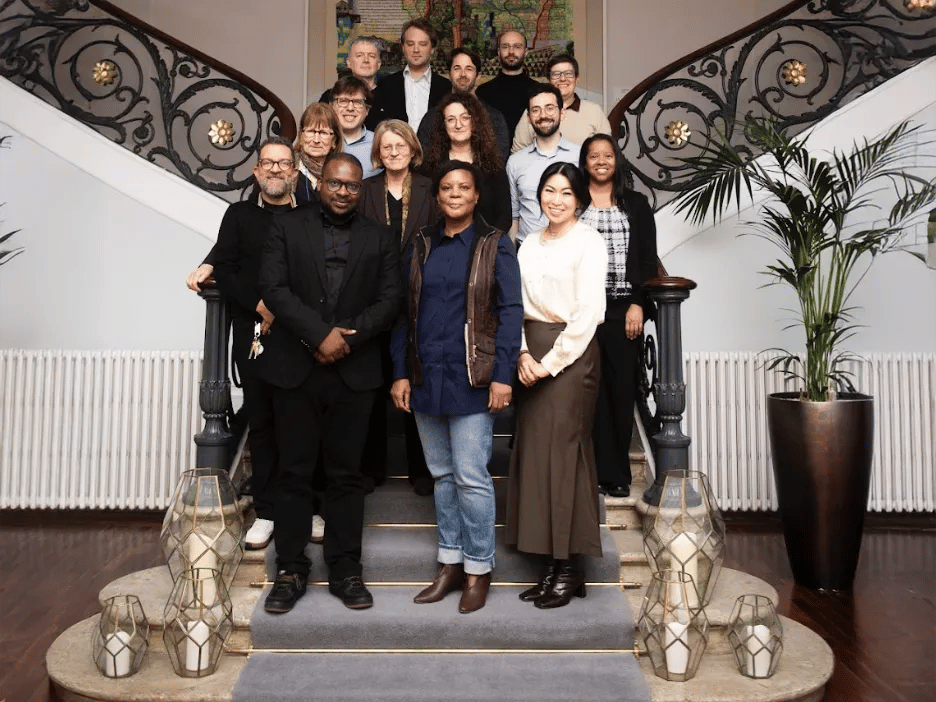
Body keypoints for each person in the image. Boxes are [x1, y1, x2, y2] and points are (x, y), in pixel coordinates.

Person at [258, 153, 402, 613]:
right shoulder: (286, 226)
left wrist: (345, 339)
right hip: (295, 369)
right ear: (319, 182)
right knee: (294, 472)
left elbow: (390, 300)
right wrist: (319, 335)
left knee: (346, 478)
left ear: (363, 190)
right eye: (337, 183)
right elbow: (274, 288)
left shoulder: (380, 237)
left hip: (354, 372)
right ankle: (291, 569)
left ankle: (345, 569)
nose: (344, 192)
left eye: (353, 186)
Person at [390, 160, 523, 614]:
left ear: (476, 195)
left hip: (473, 378)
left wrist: (504, 374)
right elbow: (403, 312)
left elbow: (510, 313)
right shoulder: (421, 244)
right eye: (446, 187)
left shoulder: (493, 245)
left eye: (463, 187)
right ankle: (449, 562)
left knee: (470, 476)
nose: (454, 194)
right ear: (437, 195)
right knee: (443, 475)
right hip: (427, 375)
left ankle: (479, 568)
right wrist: (400, 371)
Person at [506, 162, 608, 610]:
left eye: (566, 192)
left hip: (570, 356)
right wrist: (522, 354)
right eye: (549, 190)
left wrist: (549, 363)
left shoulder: (590, 242)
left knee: (565, 457)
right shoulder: (527, 242)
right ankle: (552, 565)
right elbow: (514, 303)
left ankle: (570, 567)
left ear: (580, 199)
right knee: (536, 456)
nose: (556, 199)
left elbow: (587, 313)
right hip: (530, 350)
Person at [207, 136, 298, 551]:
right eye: (268, 163)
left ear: (295, 173)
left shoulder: (310, 216)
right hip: (255, 335)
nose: (276, 169)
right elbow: (225, 267)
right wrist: (260, 304)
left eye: (283, 163)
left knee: (303, 424)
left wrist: (286, 307)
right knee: (261, 423)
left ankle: (306, 506)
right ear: (256, 172)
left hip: (300, 334)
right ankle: (268, 511)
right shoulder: (238, 215)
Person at [358, 120, 438, 496]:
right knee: (373, 385)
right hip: (373, 299)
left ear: (412, 148)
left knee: (416, 384)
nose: (393, 152)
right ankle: (371, 468)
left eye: (400, 145)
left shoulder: (430, 187)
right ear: (378, 151)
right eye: (386, 146)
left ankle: (421, 469)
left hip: (421, 300)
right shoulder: (365, 189)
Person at [579, 134, 658, 498]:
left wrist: (639, 303)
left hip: (622, 309)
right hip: (581, 310)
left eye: (607, 155)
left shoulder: (637, 205)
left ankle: (618, 475)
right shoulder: (574, 203)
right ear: (584, 163)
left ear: (616, 161)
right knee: (588, 392)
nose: (600, 161)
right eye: (593, 156)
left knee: (621, 390)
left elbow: (646, 259)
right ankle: (592, 470)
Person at [423, 92, 511, 232]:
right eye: (451, 119)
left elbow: (504, 217)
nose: (458, 125)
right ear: (443, 125)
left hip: (484, 247)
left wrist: (486, 246)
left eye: (465, 118)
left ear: (475, 121)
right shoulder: (430, 165)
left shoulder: (493, 165)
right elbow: (425, 214)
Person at [506, 84, 581, 244]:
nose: (543, 115)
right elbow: (514, 218)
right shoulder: (515, 162)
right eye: (536, 110)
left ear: (562, 113)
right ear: (528, 117)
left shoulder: (581, 156)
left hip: (571, 251)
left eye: (549, 108)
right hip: (527, 254)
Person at [416, 48, 510, 161]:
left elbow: (499, 160)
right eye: (457, 68)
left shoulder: (494, 118)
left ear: (478, 75)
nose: (463, 74)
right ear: (449, 74)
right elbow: (423, 159)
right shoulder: (432, 117)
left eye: (469, 69)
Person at [511, 54, 611, 153]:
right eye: (556, 74)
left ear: (577, 80)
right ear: (549, 80)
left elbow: (608, 151)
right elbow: (518, 153)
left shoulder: (594, 111)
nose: (562, 78)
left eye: (568, 73)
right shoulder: (534, 112)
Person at [370, 18, 451, 131]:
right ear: (403, 48)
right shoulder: (386, 84)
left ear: (432, 49)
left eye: (422, 44)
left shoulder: (446, 87)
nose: (416, 50)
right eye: (410, 44)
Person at [474, 29, 539, 137]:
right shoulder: (482, 92)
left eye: (517, 46)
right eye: (505, 46)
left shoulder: (539, 90)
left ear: (526, 52)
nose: (511, 52)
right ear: (499, 53)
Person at [328, 76, 380, 180]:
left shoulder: (379, 143)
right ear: (331, 106)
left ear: (367, 110)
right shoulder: (317, 139)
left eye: (357, 102)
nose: (350, 108)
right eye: (343, 101)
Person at [293, 102, 343, 204]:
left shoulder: (342, 173)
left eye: (323, 133)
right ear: (301, 135)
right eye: (311, 131)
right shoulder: (287, 167)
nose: (316, 140)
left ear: (334, 140)